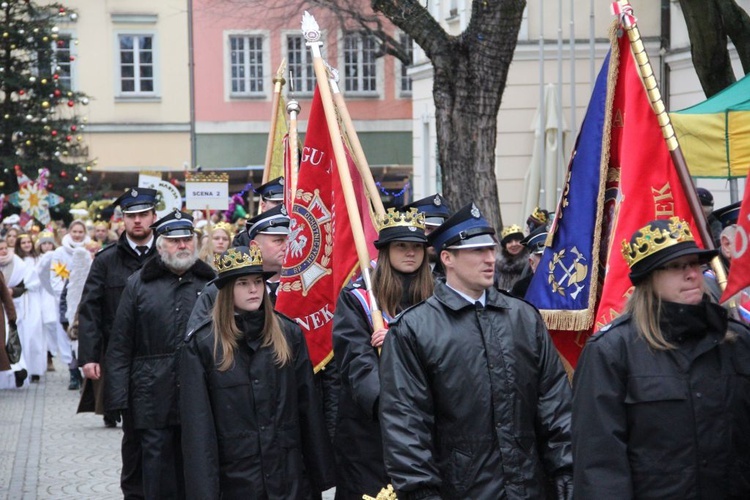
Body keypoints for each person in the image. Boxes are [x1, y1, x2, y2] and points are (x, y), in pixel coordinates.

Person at [379, 202, 573, 499]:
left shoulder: (522, 317)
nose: (489, 259)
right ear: (447, 258)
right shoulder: (415, 328)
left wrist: (566, 471)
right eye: (476, 251)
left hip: (528, 488)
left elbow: (555, 404)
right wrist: (420, 492)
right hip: (458, 489)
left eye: (490, 249)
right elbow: (406, 426)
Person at [572, 217, 750, 498]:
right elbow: (599, 464)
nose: (692, 274)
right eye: (677, 266)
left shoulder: (736, 340)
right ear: (649, 279)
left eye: (695, 263)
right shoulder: (612, 351)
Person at [180, 245, 335, 499]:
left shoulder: (288, 333)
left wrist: (319, 472)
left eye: (257, 282)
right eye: (243, 283)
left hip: (289, 474)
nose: (253, 289)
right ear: (228, 290)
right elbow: (198, 428)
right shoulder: (203, 344)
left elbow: (307, 407)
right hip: (237, 478)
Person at [105, 209, 215, 499]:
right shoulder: (138, 284)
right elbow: (120, 344)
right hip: (150, 394)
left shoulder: (212, 283)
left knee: (198, 464)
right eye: (174, 240)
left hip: (201, 392)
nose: (183, 246)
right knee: (156, 469)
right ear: (160, 244)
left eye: (188, 239)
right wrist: (116, 397)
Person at [333, 207, 433, 499]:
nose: (410, 253)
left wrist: (399, 343)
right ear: (385, 251)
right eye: (401, 245)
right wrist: (392, 410)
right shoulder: (358, 298)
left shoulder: (439, 297)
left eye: (416, 246)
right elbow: (357, 364)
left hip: (429, 426)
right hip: (372, 432)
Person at [75, 189, 158, 499]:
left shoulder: (167, 254)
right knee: (133, 432)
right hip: (123, 360)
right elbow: (91, 309)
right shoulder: (107, 260)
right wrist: (89, 357)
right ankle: (134, 492)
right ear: (122, 220)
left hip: (163, 355)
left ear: (154, 216)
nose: (137, 221)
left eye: (142, 214)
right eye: (131, 216)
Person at [48, 218, 90, 390]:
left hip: (86, 299)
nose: (78, 235)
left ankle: (84, 371)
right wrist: (67, 296)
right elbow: (55, 278)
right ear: (69, 232)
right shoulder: (60, 252)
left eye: (81, 232)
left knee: (83, 336)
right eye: (75, 232)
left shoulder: (90, 249)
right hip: (65, 300)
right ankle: (73, 373)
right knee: (68, 336)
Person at [231, 204, 290, 303]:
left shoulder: (307, 286)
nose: (286, 247)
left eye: (289, 241)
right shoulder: (230, 285)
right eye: (278, 241)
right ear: (255, 247)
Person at [12, 233, 46, 382]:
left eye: (28, 242)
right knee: (21, 334)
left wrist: (28, 285)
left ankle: (36, 369)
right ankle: (22, 368)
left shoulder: (38, 260)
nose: (26, 245)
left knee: (34, 334)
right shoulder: (16, 261)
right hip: (19, 300)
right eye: (23, 243)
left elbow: (41, 279)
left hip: (33, 299)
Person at [400, 193, 452, 277]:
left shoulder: (455, 272)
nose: (435, 236)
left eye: (441, 230)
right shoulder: (399, 272)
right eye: (428, 229)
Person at [0, 236, 26, 388]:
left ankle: (17, 370)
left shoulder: (17, 264)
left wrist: (12, 317)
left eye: (5, 248)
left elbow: (5, 296)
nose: (3, 251)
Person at [510, 225, 547, 298]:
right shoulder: (521, 289)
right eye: (543, 257)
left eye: (553, 256)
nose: (549, 261)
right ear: (532, 263)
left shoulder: (569, 285)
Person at [495, 223, 528, 291]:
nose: (514, 244)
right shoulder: (497, 264)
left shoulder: (530, 263)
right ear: (505, 247)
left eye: (517, 240)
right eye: (509, 242)